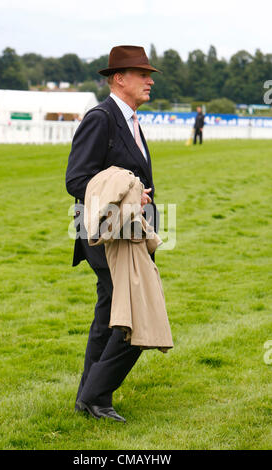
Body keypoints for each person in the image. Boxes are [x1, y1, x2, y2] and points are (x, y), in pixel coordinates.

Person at [65, 45, 160, 423]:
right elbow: (77, 179)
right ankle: (95, 396)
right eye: (142, 74)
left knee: (109, 313)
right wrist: (128, 197)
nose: (150, 80)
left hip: (129, 235)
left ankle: (88, 399)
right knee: (133, 315)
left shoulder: (132, 119)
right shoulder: (101, 118)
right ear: (119, 79)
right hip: (104, 235)